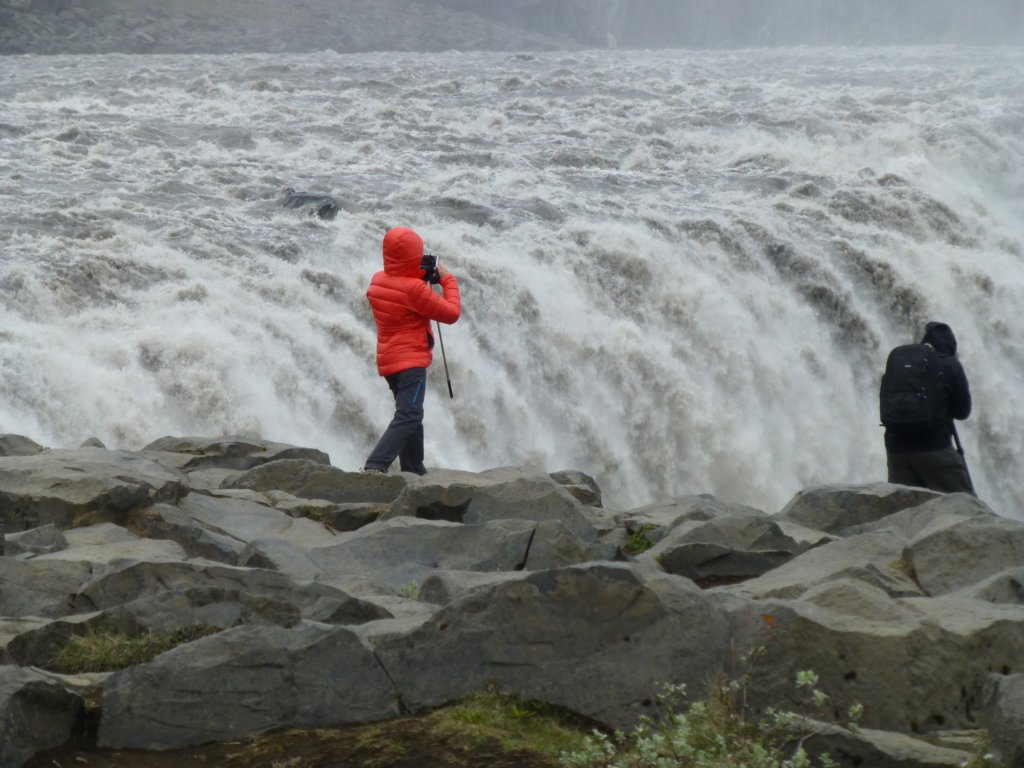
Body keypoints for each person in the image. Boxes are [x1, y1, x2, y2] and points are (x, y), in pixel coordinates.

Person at [362, 226, 461, 475]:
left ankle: (413, 468)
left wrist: (417, 276)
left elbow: (401, 291)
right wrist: (448, 280)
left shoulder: (378, 280)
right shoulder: (414, 290)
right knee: (408, 416)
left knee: (411, 415)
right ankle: (376, 465)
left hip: (390, 362)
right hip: (411, 365)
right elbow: (451, 314)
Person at [883, 321, 975, 495]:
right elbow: (962, 412)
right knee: (965, 507)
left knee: (904, 511)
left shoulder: (902, 360)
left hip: (897, 450)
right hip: (935, 448)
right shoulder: (950, 364)